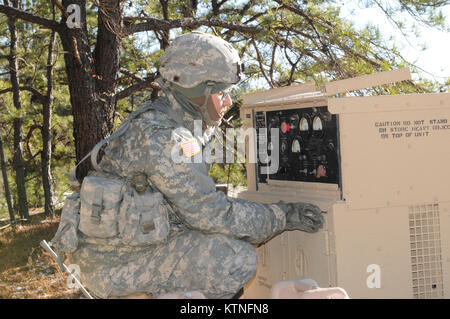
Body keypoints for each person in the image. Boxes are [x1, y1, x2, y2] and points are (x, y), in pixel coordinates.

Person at [54, 31, 324, 299]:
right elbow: (210, 213)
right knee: (234, 260)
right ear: (197, 91)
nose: (229, 101)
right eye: (222, 92)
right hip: (113, 265)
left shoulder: (178, 122)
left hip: (123, 250)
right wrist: (282, 216)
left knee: (230, 238)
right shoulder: (167, 137)